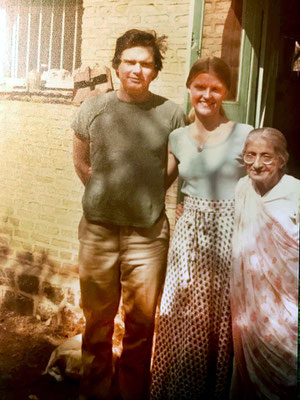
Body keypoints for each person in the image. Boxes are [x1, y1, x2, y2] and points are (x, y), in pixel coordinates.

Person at [71, 29, 186, 400]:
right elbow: (81, 161)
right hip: (98, 233)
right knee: (97, 323)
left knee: (141, 326)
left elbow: (172, 164)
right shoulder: (92, 108)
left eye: (146, 64)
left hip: (148, 238)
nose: (137, 70)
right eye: (130, 62)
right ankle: (96, 391)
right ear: (118, 65)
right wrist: (106, 193)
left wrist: (149, 192)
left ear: (155, 70)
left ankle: (131, 393)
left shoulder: (171, 113)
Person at [150, 57, 253, 400]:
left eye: (215, 88)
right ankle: (176, 389)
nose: (207, 94)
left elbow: (265, 191)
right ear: (189, 88)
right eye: (200, 87)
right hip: (187, 236)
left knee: (215, 320)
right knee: (179, 313)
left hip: (227, 236)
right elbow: (160, 182)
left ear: (226, 92)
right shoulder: (177, 137)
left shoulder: (245, 135)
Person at [230, 128, 299, 400]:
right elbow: (240, 240)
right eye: (251, 155)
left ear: (282, 160)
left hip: (287, 300)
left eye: (267, 157)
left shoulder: (295, 192)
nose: (257, 164)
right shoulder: (242, 188)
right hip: (250, 301)